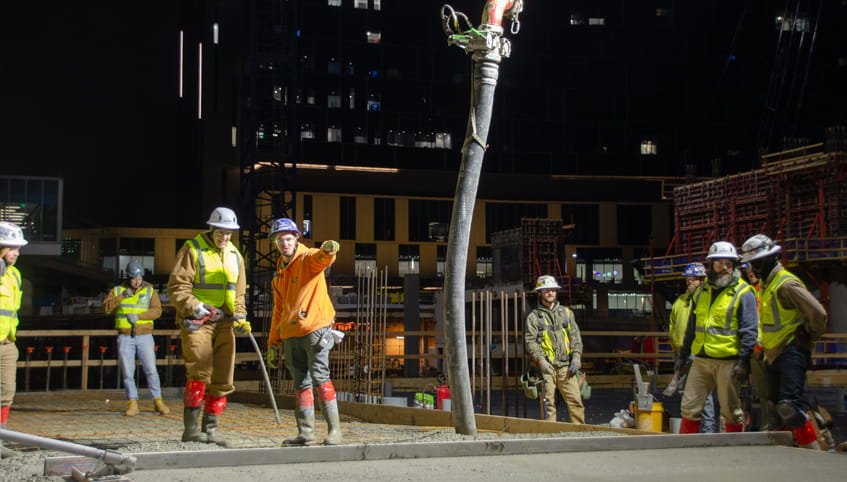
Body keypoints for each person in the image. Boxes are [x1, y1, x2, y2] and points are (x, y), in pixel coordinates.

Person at [168, 207, 251, 447]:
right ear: (211, 228)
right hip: (197, 322)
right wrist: (194, 306)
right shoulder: (192, 249)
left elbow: (239, 294)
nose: (225, 237)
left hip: (225, 323)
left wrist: (241, 318)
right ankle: (191, 430)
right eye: (221, 232)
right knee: (200, 373)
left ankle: (211, 430)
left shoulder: (236, 255)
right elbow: (177, 288)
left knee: (223, 377)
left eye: (229, 233)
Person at [740, 234, 828, 448]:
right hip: (773, 353)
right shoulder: (767, 284)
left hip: (790, 350)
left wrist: (807, 340)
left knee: (789, 406)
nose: (751, 268)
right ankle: (790, 450)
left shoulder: (785, 284)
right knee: (775, 408)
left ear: (766, 259)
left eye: (753, 262)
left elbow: (818, 315)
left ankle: (813, 446)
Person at [265, 218, 342, 445]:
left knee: (320, 377)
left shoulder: (307, 259)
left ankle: (334, 431)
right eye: (280, 240)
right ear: (275, 243)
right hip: (291, 334)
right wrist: (273, 343)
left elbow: (322, 258)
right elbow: (278, 312)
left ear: (297, 238)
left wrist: (328, 250)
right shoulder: (279, 276)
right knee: (300, 383)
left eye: (288, 239)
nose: (284, 243)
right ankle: (306, 433)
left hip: (315, 330)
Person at [677, 241, 758, 433]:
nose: (724, 268)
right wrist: (683, 356)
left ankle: (733, 448)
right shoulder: (701, 292)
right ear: (710, 266)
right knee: (689, 407)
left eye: (728, 263)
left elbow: (749, 330)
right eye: (719, 263)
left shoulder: (743, 292)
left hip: (728, 361)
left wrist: (744, 362)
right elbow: (691, 328)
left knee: (731, 411)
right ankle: (685, 450)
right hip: (701, 359)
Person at [102, 260, 169, 417]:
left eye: (139, 278)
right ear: (129, 277)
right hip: (125, 336)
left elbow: (157, 311)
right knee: (127, 372)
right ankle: (132, 403)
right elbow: (106, 308)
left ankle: (158, 401)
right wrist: (121, 297)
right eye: (134, 278)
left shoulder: (150, 291)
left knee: (151, 370)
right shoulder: (118, 290)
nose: (137, 281)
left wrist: (139, 316)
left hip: (144, 335)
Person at [524, 275, 585, 424]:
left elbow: (575, 337)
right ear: (539, 293)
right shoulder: (534, 317)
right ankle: (550, 434)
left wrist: (576, 357)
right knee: (547, 404)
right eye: (546, 291)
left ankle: (580, 433)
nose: (550, 293)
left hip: (566, 367)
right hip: (547, 367)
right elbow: (530, 341)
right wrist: (541, 360)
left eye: (552, 290)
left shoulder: (566, 313)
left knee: (575, 402)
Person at [668, 262, 719, 433]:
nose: (690, 282)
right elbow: (673, 326)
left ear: (702, 280)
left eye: (694, 279)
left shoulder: (707, 299)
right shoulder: (680, 302)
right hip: (682, 352)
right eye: (688, 279)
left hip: (700, 353)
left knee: (704, 393)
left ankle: (708, 430)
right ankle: (693, 429)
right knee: (687, 393)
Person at [0, 222, 27, 457]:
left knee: (6, 392)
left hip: (7, 343)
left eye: (18, 248)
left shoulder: (15, 275)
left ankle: (0, 439)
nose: (16, 253)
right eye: (11, 248)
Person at [740, 262, 770, 430]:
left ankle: (769, 427)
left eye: (753, 270)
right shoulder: (747, 291)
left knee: (768, 392)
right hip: (749, 349)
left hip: (767, 348)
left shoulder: (767, 290)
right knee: (757, 391)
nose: (751, 273)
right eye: (748, 271)